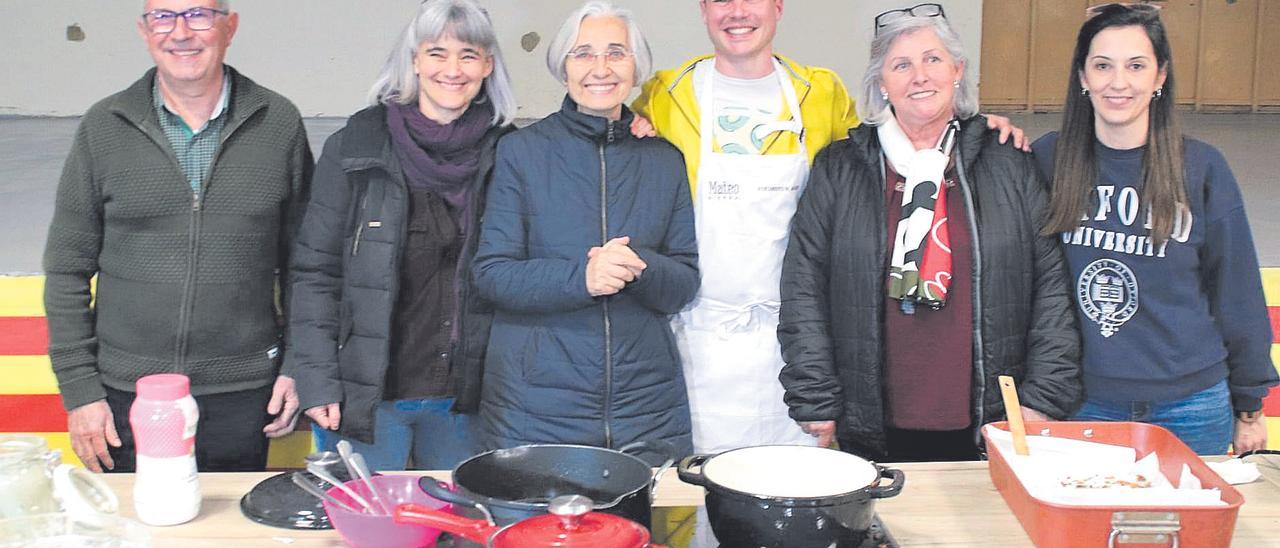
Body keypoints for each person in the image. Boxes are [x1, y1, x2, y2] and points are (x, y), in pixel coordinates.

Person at [632, 0, 1030, 459]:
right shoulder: (664, 94)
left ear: (778, 6)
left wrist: (977, 130)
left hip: (804, 344)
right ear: (703, 9)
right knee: (699, 490)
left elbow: (883, 146)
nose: (738, 11)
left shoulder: (819, 91)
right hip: (704, 339)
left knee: (804, 491)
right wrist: (629, 122)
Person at [777, 5, 1083, 463]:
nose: (919, 76)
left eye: (933, 59)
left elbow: (1051, 287)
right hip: (872, 418)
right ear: (882, 83)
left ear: (957, 70)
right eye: (901, 65)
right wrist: (814, 396)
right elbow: (803, 287)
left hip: (991, 417)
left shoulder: (1008, 161)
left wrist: (1044, 396)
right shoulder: (840, 168)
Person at [43, 0, 311, 473]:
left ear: (230, 27)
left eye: (198, 14)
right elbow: (66, 269)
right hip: (123, 395)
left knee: (226, 536)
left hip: (244, 393)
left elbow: (305, 267)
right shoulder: (104, 127)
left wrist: (296, 364)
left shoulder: (279, 123)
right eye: (163, 16)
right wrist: (81, 390)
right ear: (145, 31)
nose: (181, 32)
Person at [1033, 3, 1278, 455]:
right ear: (1083, 77)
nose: (1118, 82)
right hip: (1083, 402)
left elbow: (1237, 291)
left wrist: (1249, 403)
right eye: (1102, 65)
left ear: (1159, 76)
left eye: (1136, 65)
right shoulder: (1047, 161)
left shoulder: (1202, 168)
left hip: (1192, 405)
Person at [282, 0, 517, 471]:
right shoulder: (356, 145)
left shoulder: (512, 151)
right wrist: (317, 379)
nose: (452, 69)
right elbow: (315, 273)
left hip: (471, 402)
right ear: (413, 59)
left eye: (468, 54)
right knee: (364, 533)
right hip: (366, 396)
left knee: (466, 533)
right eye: (436, 52)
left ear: (487, 66)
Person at [471, 0, 699, 455]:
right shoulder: (521, 152)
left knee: (638, 530)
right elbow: (492, 274)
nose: (601, 68)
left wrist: (639, 267)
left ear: (636, 68)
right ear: (563, 68)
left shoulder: (663, 159)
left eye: (617, 52)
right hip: (534, 411)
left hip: (646, 412)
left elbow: (683, 284)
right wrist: (584, 278)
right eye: (583, 53)